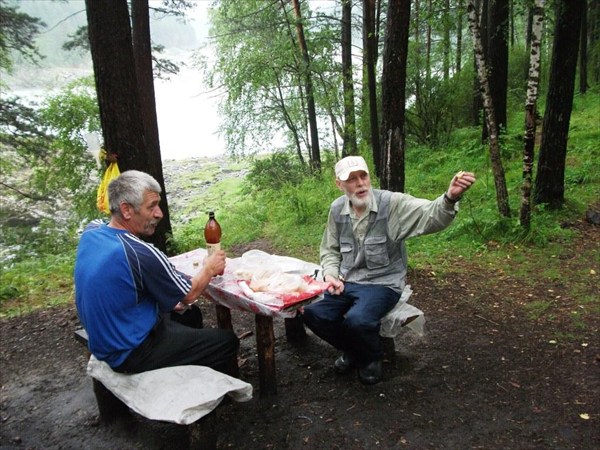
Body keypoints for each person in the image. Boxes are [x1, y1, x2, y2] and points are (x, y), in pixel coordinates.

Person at [303, 156, 476, 385]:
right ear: (339, 184)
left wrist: (449, 197)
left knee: (358, 319)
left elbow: (429, 215)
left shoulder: (392, 203)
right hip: (349, 281)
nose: (360, 183)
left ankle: (371, 359)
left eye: (363, 176)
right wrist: (331, 275)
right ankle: (355, 351)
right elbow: (330, 249)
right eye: (351, 179)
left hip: (383, 283)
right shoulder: (336, 209)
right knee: (314, 314)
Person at [74, 170, 239, 375]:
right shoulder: (139, 252)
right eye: (151, 206)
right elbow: (189, 295)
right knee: (226, 341)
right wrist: (209, 268)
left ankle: (186, 367)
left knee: (190, 316)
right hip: (129, 352)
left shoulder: (92, 230)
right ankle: (208, 392)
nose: (159, 213)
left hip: (106, 337)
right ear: (126, 210)